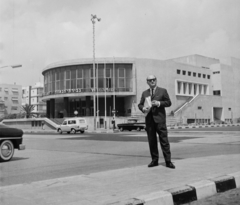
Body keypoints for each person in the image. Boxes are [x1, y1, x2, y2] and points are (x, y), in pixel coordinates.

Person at [138, 75, 175, 169]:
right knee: (152, 141)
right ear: (147, 82)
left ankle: (168, 161)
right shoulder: (144, 93)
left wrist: (159, 103)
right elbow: (140, 104)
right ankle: (154, 161)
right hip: (149, 121)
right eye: (150, 80)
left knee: (164, 141)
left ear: (156, 80)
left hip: (160, 121)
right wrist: (143, 108)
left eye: (154, 79)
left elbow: (168, 102)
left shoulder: (163, 91)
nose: (152, 81)